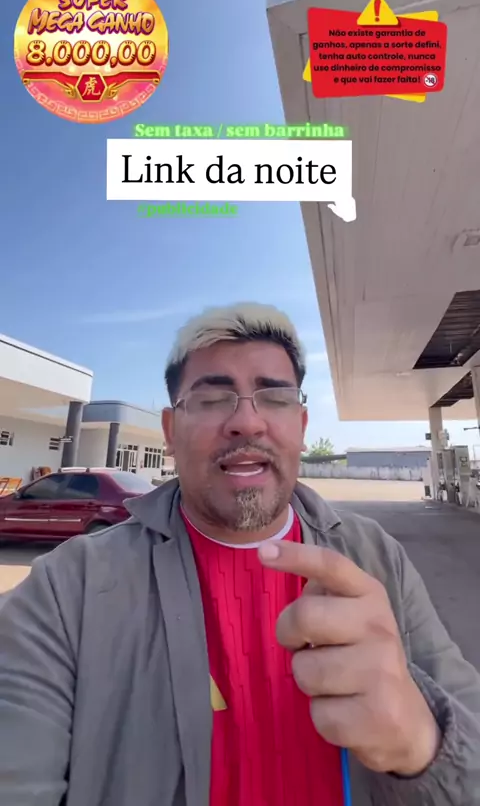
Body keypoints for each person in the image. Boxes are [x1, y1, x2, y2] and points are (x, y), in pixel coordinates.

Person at [0, 302, 479, 806]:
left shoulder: (376, 560)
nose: (247, 422)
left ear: (301, 424)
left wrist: (423, 746)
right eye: (212, 399)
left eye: (275, 398)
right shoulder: (69, 588)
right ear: (170, 431)